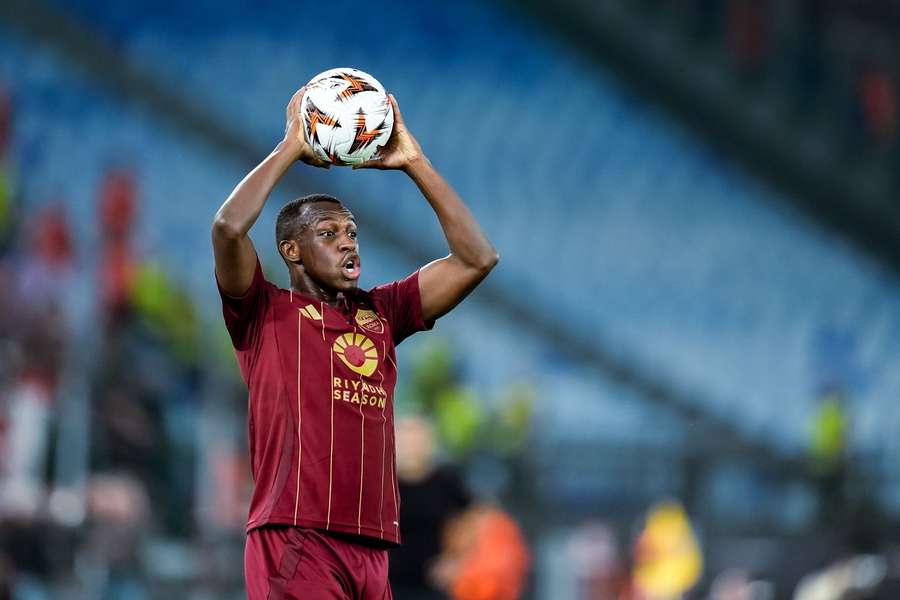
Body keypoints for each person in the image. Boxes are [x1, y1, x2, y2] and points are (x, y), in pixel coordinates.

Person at [212, 86, 499, 600]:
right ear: (291, 250)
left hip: (372, 549)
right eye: (328, 232)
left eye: (352, 231)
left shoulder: (381, 313)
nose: (347, 241)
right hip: (297, 538)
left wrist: (415, 162)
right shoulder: (263, 311)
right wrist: (290, 147)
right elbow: (229, 228)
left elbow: (477, 259)